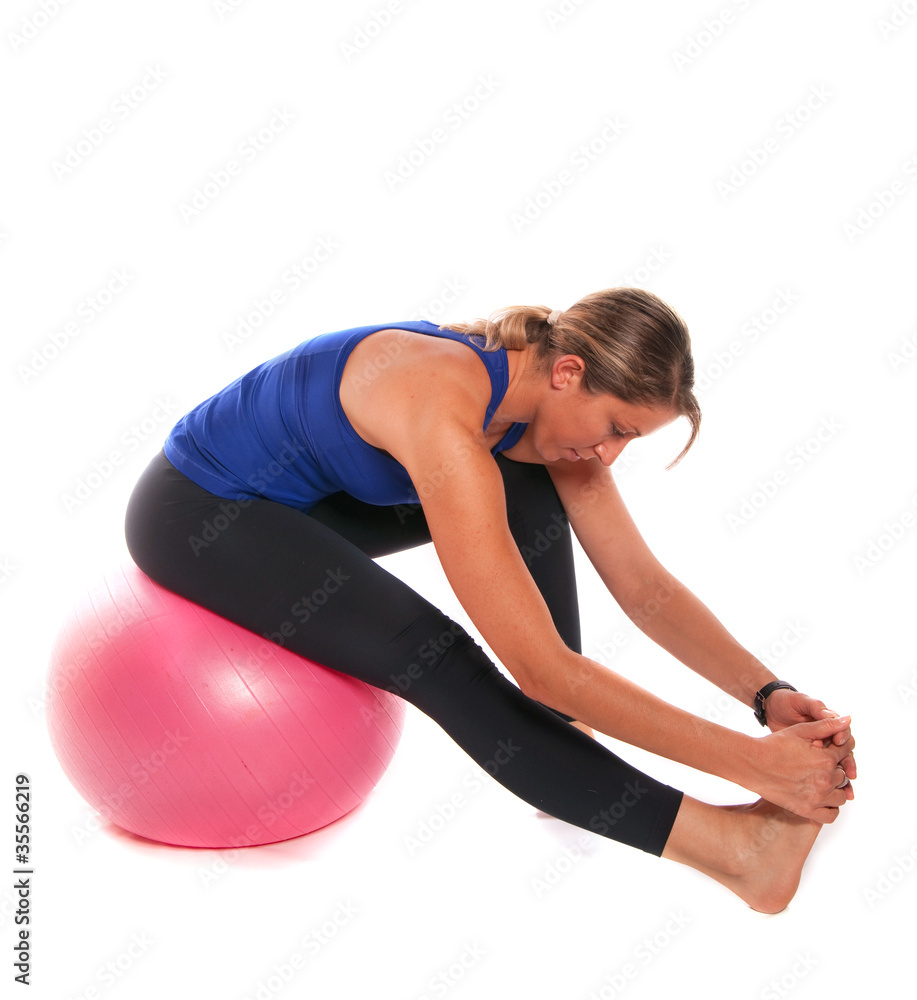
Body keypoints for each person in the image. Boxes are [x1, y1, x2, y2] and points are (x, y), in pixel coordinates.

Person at [124, 286, 856, 912]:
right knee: (435, 657)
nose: (610, 455)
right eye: (615, 429)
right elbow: (540, 669)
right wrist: (753, 765)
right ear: (568, 372)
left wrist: (765, 694)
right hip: (199, 512)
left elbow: (643, 586)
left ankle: (562, 744)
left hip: (311, 501)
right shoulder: (444, 409)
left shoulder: (534, 401)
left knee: (530, 479)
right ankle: (732, 850)